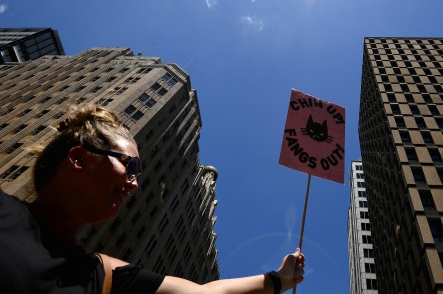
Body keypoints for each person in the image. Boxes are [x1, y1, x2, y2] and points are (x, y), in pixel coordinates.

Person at [0, 103, 304, 293]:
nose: (134, 184)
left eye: (139, 174)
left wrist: (280, 279)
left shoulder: (102, 274)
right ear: (78, 158)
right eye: (129, 165)